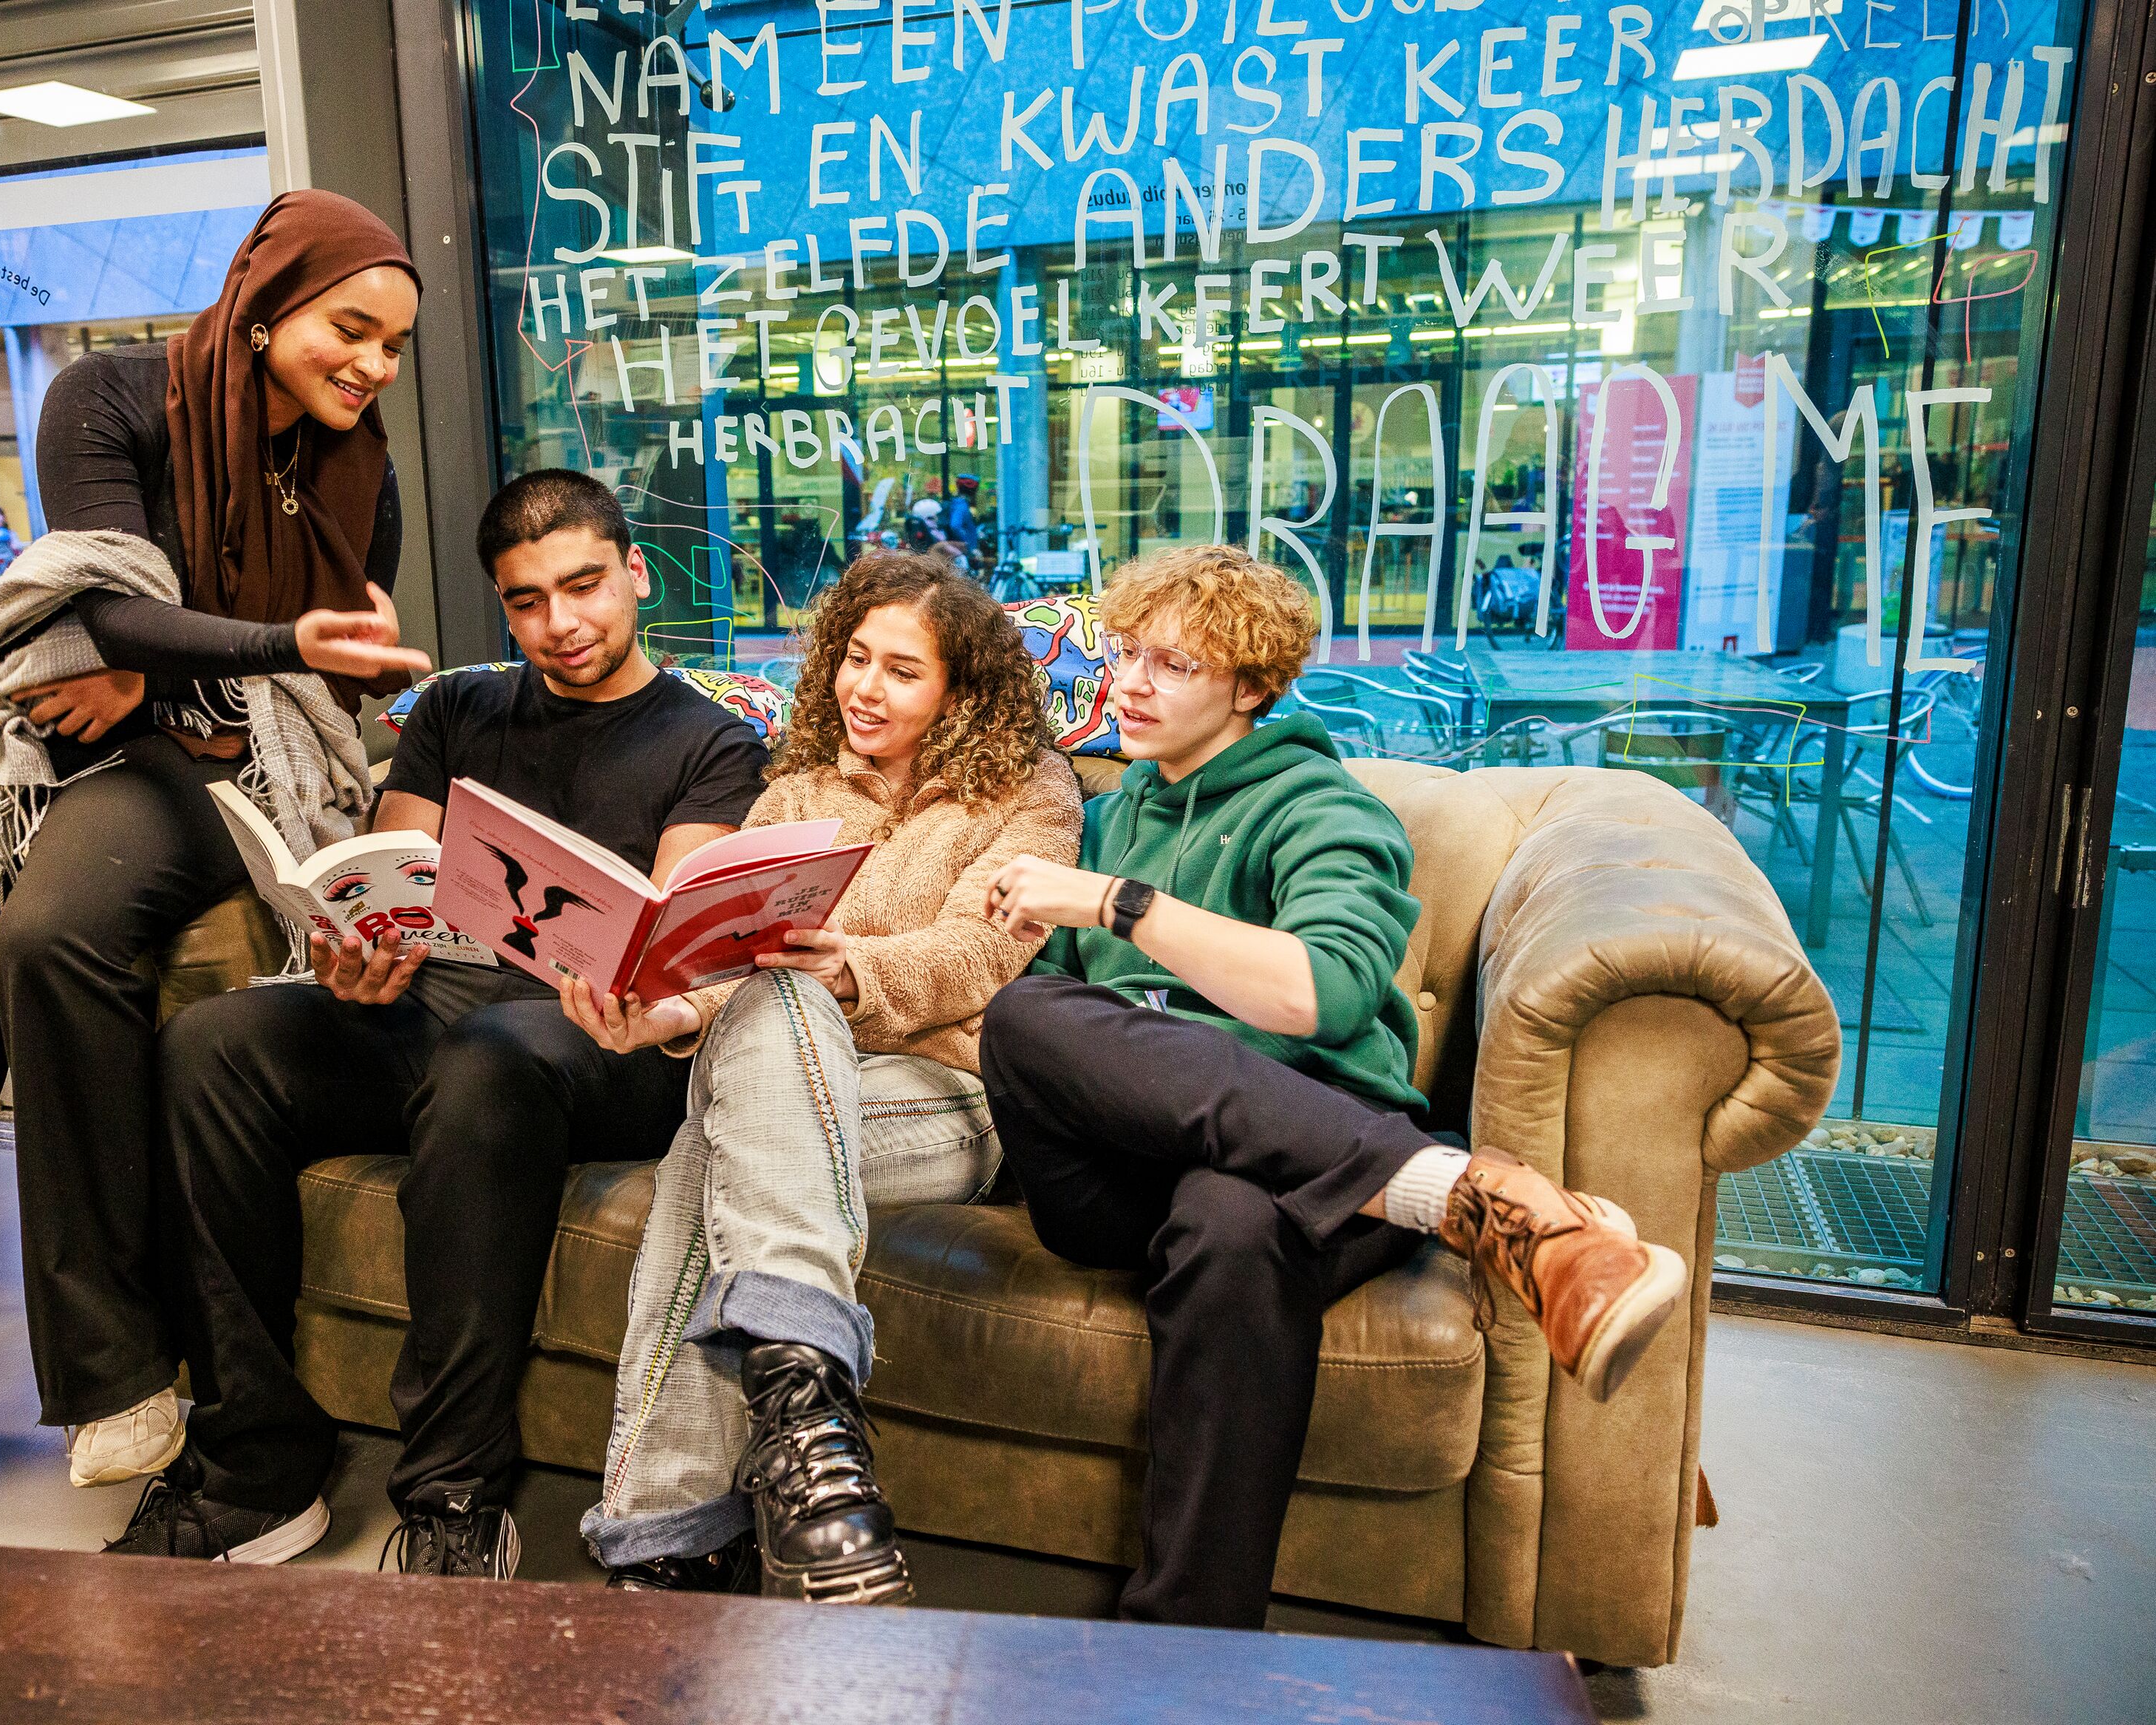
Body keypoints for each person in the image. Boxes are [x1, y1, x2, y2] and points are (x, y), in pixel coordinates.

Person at [0, 191, 433, 1534]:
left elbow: (315, 691)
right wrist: (230, 643)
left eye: (395, 347)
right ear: (264, 298)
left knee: (57, 935)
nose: (372, 366)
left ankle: (116, 1372)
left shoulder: (363, 471)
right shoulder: (106, 399)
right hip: (16, 743)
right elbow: (98, 597)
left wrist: (182, 671)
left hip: (198, 755)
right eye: (350, 329)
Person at [978, 544, 1687, 1629]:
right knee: (1027, 1015)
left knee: (1230, 1213)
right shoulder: (1120, 811)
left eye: (1172, 662)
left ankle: (1186, 1651)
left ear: (1252, 686)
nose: (1128, 681)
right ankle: (1458, 1195)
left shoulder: (1323, 805)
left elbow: (1330, 994)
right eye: (1126, 652)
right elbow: (1074, 1038)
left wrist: (1120, 905)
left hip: (1305, 1165)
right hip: (1127, 1180)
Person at [124, 469, 773, 1568]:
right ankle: (256, 1467)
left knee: (489, 1055)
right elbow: (396, 875)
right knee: (209, 1042)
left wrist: (621, 990)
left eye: (583, 588)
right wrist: (355, 955)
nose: (559, 624)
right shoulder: (461, 710)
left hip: (601, 1049)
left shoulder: (713, 744)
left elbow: (671, 961)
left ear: (636, 574)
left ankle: (455, 1493)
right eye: (526, 602)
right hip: (436, 1016)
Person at [556, 551, 1082, 1605]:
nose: (862, 687)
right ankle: (808, 1438)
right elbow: (722, 957)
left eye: (900, 669)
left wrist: (852, 970)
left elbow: (978, 955)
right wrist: (661, 1010)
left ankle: (670, 1537)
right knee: (762, 1030)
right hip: (776, 1085)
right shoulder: (793, 788)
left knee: (732, 1112)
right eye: (853, 658)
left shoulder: (1030, 791)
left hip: (945, 1099)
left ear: (960, 693)